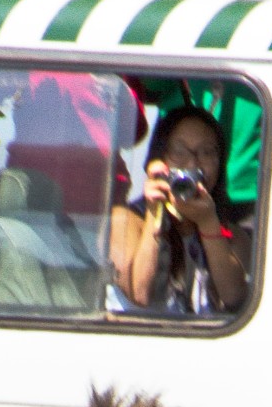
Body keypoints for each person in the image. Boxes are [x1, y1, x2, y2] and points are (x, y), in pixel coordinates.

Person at [107, 104, 250, 316]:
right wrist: (155, 215)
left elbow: (235, 297)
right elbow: (139, 293)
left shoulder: (233, 235)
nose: (192, 163)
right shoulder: (124, 219)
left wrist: (208, 222)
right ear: (159, 158)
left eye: (207, 152)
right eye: (179, 151)